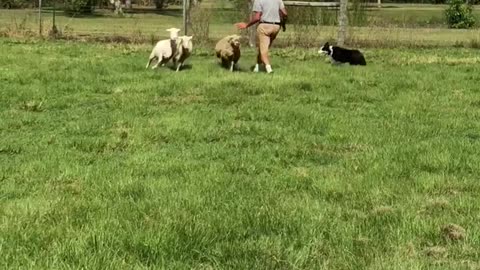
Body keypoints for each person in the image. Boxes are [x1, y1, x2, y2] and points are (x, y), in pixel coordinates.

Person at [235, 0, 287, 74]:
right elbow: (285, 13)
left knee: (263, 51)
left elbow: (257, 18)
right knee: (264, 47)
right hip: (276, 27)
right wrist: (283, 24)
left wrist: (247, 25)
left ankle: (269, 69)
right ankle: (257, 66)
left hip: (264, 26)